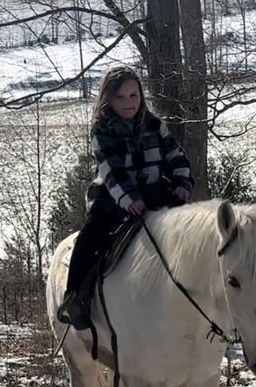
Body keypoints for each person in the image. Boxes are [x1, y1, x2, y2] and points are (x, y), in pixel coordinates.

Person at [58, 66, 194, 329]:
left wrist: (182, 183)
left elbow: (175, 156)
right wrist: (129, 198)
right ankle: (75, 296)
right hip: (114, 197)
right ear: (108, 99)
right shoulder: (103, 130)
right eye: (121, 97)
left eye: (134, 96)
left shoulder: (155, 124)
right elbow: (112, 170)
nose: (129, 102)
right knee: (91, 235)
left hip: (156, 192)